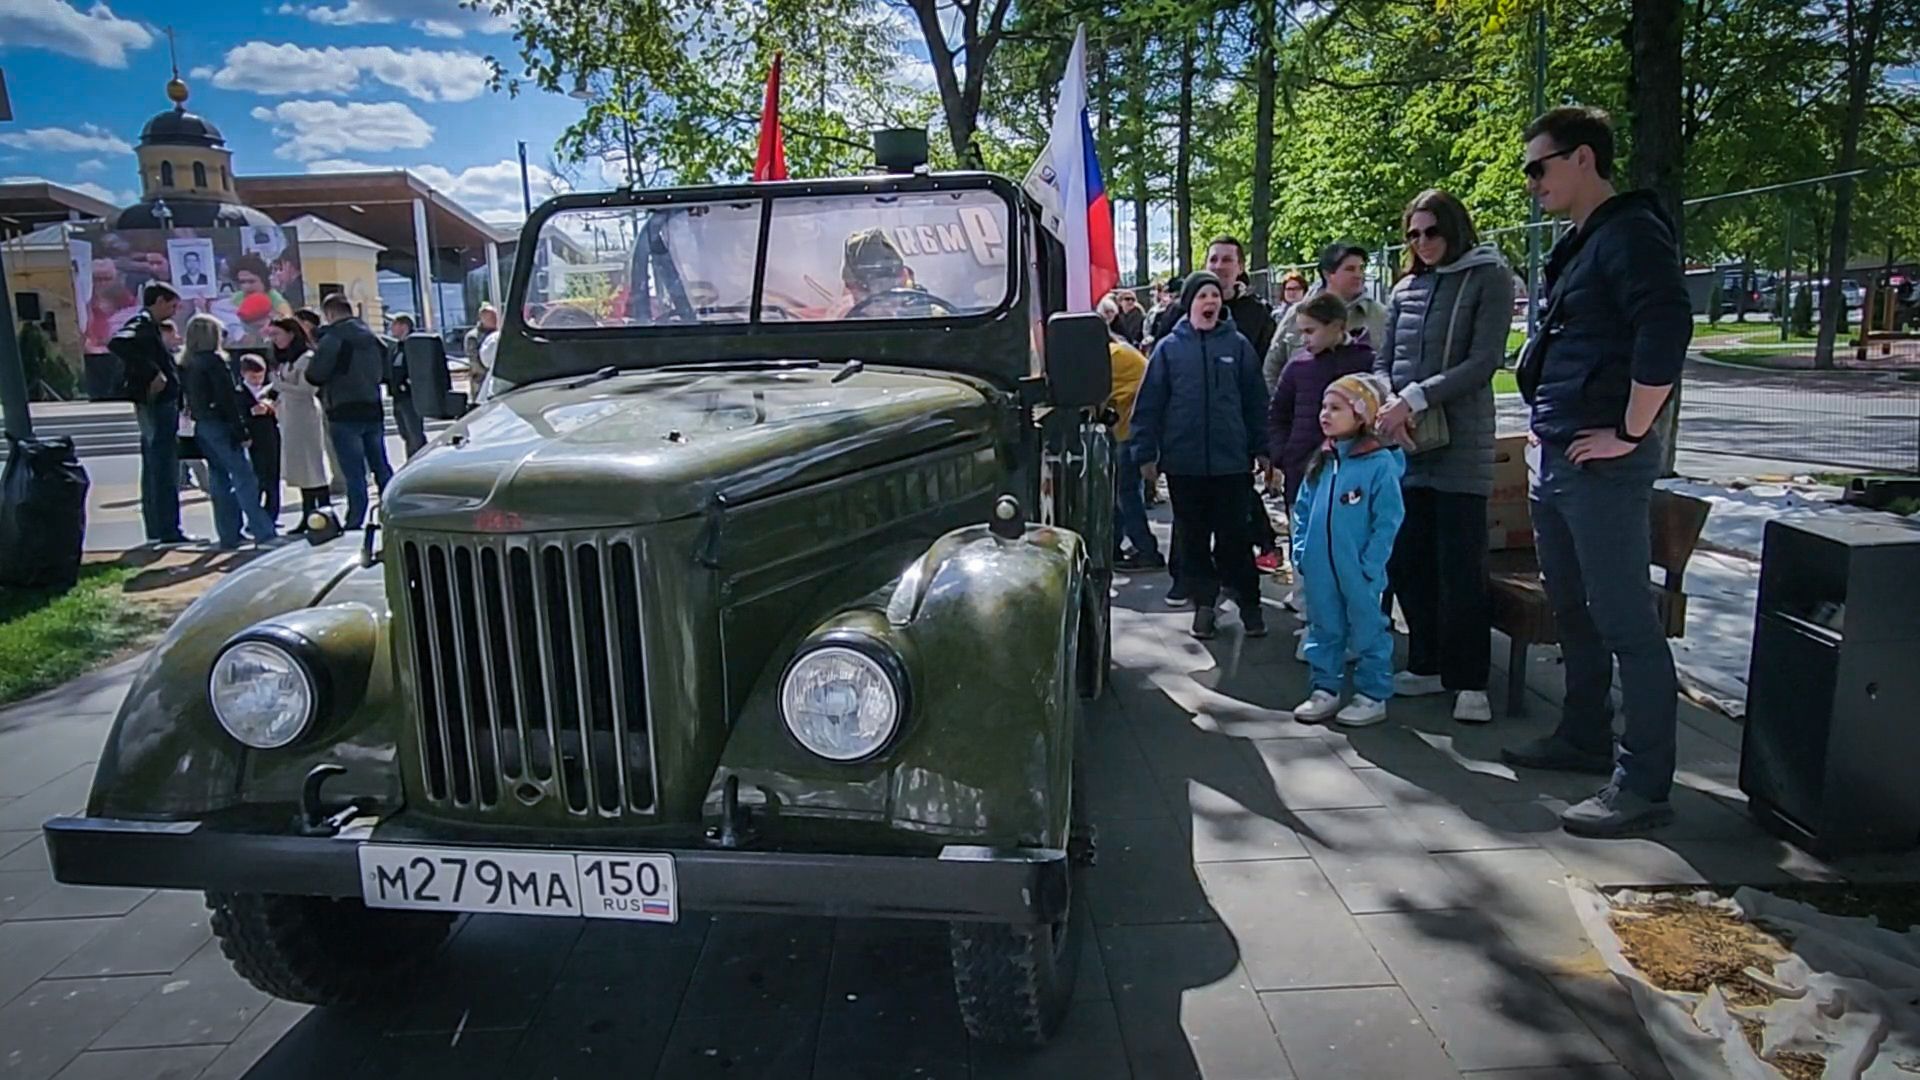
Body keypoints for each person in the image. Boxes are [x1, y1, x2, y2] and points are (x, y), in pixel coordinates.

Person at [1502, 105, 1691, 837]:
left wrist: (1632, 431)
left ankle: (1643, 782)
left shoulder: (1632, 233)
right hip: (1559, 457)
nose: (1532, 182)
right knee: (1573, 608)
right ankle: (1583, 734)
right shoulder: (1583, 242)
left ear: (1583, 159)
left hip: (1600, 465)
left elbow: (1666, 326)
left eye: (1539, 166)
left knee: (1624, 622)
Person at [1374, 189, 1515, 726]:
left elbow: (1484, 361)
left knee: (1461, 566)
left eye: (1431, 231)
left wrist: (1418, 396)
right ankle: (1427, 660)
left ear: (1453, 228)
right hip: (1408, 444)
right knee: (1408, 559)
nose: (1422, 242)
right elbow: (1386, 359)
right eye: (1413, 234)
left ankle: (1469, 678)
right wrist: (1391, 398)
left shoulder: (1488, 277)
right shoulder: (1406, 287)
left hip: (1462, 443)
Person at [1129, 272, 1269, 640]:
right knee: (1192, 538)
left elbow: (1256, 402)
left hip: (1231, 464)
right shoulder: (1169, 349)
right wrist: (1146, 453)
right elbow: (1150, 405)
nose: (1211, 301)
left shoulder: (1238, 346)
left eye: (1215, 295)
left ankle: (1249, 604)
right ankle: (1203, 605)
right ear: (1189, 303)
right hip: (1184, 465)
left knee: (1235, 537)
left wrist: (1263, 449)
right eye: (1203, 295)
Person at [1289, 373, 1405, 727]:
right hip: (1320, 567)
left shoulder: (1379, 465)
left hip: (1358, 569)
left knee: (1369, 628)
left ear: (1361, 415)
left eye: (1336, 407)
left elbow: (1387, 519)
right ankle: (1324, 688)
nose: (1325, 414)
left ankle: (1372, 694)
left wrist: (1371, 563)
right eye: (1324, 406)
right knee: (1323, 625)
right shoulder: (1323, 460)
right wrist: (1301, 551)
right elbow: (1303, 508)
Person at [1204, 236, 1284, 575]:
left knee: (1237, 491)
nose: (1220, 266)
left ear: (1240, 267)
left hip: (1240, 423)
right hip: (1196, 425)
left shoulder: (1258, 315)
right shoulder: (1184, 311)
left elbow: (1269, 373)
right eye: (1214, 260)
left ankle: (1253, 556)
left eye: (1227, 260)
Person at [1268, 292, 1377, 513]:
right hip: (1302, 472)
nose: (1304, 339)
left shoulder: (1366, 362)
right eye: (1301, 332)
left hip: (1354, 475)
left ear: (1337, 326)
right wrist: (1282, 455)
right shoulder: (1297, 368)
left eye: (1310, 331)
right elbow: (1277, 415)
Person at [109, 283, 199, 548]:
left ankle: (159, 528)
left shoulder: (147, 326)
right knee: (162, 466)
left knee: (156, 464)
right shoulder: (142, 323)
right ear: (159, 301)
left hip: (160, 403)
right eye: (171, 306)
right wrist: (152, 372)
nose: (173, 311)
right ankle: (167, 529)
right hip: (157, 404)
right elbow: (118, 343)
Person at [179, 315, 280, 550]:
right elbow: (227, 401)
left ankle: (229, 534)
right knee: (245, 476)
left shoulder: (188, 363)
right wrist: (242, 431)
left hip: (202, 424)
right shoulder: (215, 362)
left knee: (219, 479)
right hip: (221, 424)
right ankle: (262, 531)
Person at [307, 293, 395, 530]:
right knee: (381, 466)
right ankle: (392, 513)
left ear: (330, 313)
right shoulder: (373, 337)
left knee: (354, 472)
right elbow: (387, 372)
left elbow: (314, 374)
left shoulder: (334, 338)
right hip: (372, 406)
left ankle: (355, 520)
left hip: (343, 410)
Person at [1096, 296, 1161, 571]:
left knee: (1125, 492)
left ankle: (1146, 550)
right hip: (1137, 427)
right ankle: (1115, 547)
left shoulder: (1107, 357)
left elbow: (1092, 396)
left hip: (1131, 430)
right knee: (1123, 489)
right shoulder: (1120, 350)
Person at [267, 317, 331, 530]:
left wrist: (280, 385)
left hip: (305, 417)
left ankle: (323, 511)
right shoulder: (286, 361)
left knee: (312, 465)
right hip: (289, 417)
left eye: (277, 334)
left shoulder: (306, 358)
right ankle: (307, 513)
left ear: (291, 334)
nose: (274, 339)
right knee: (301, 468)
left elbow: (307, 389)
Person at [1317, 242, 1389, 346]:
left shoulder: (1382, 316)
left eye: (1361, 269)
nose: (1358, 275)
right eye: (1350, 269)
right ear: (1327, 274)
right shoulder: (1298, 314)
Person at [238, 355, 282, 519]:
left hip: (270, 437)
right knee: (257, 478)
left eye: (260, 377)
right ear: (244, 374)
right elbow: (238, 413)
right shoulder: (239, 392)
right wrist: (251, 412)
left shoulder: (269, 391)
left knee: (273, 476)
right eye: (253, 377)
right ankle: (255, 515)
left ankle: (272, 513)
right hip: (253, 439)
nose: (257, 380)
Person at [385, 313, 428, 459]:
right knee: (405, 433)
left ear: (404, 326)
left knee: (414, 433)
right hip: (397, 396)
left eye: (394, 325)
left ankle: (420, 460)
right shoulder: (397, 348)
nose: (391, 328)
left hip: (410, 397)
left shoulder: (413, 346)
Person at [1263, 272, 1311, 390]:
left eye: (1296, 288)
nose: (1291, 292)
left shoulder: (1312, 313)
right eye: (1288, 289)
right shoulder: (1276, 315)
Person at [464, 303, 500, 390]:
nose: (494, 320)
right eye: (491, 318)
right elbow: (475, 361)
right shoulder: (473, 337)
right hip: (481, 382)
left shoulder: (498, 335)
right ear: (482, 318)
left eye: (495, 317)